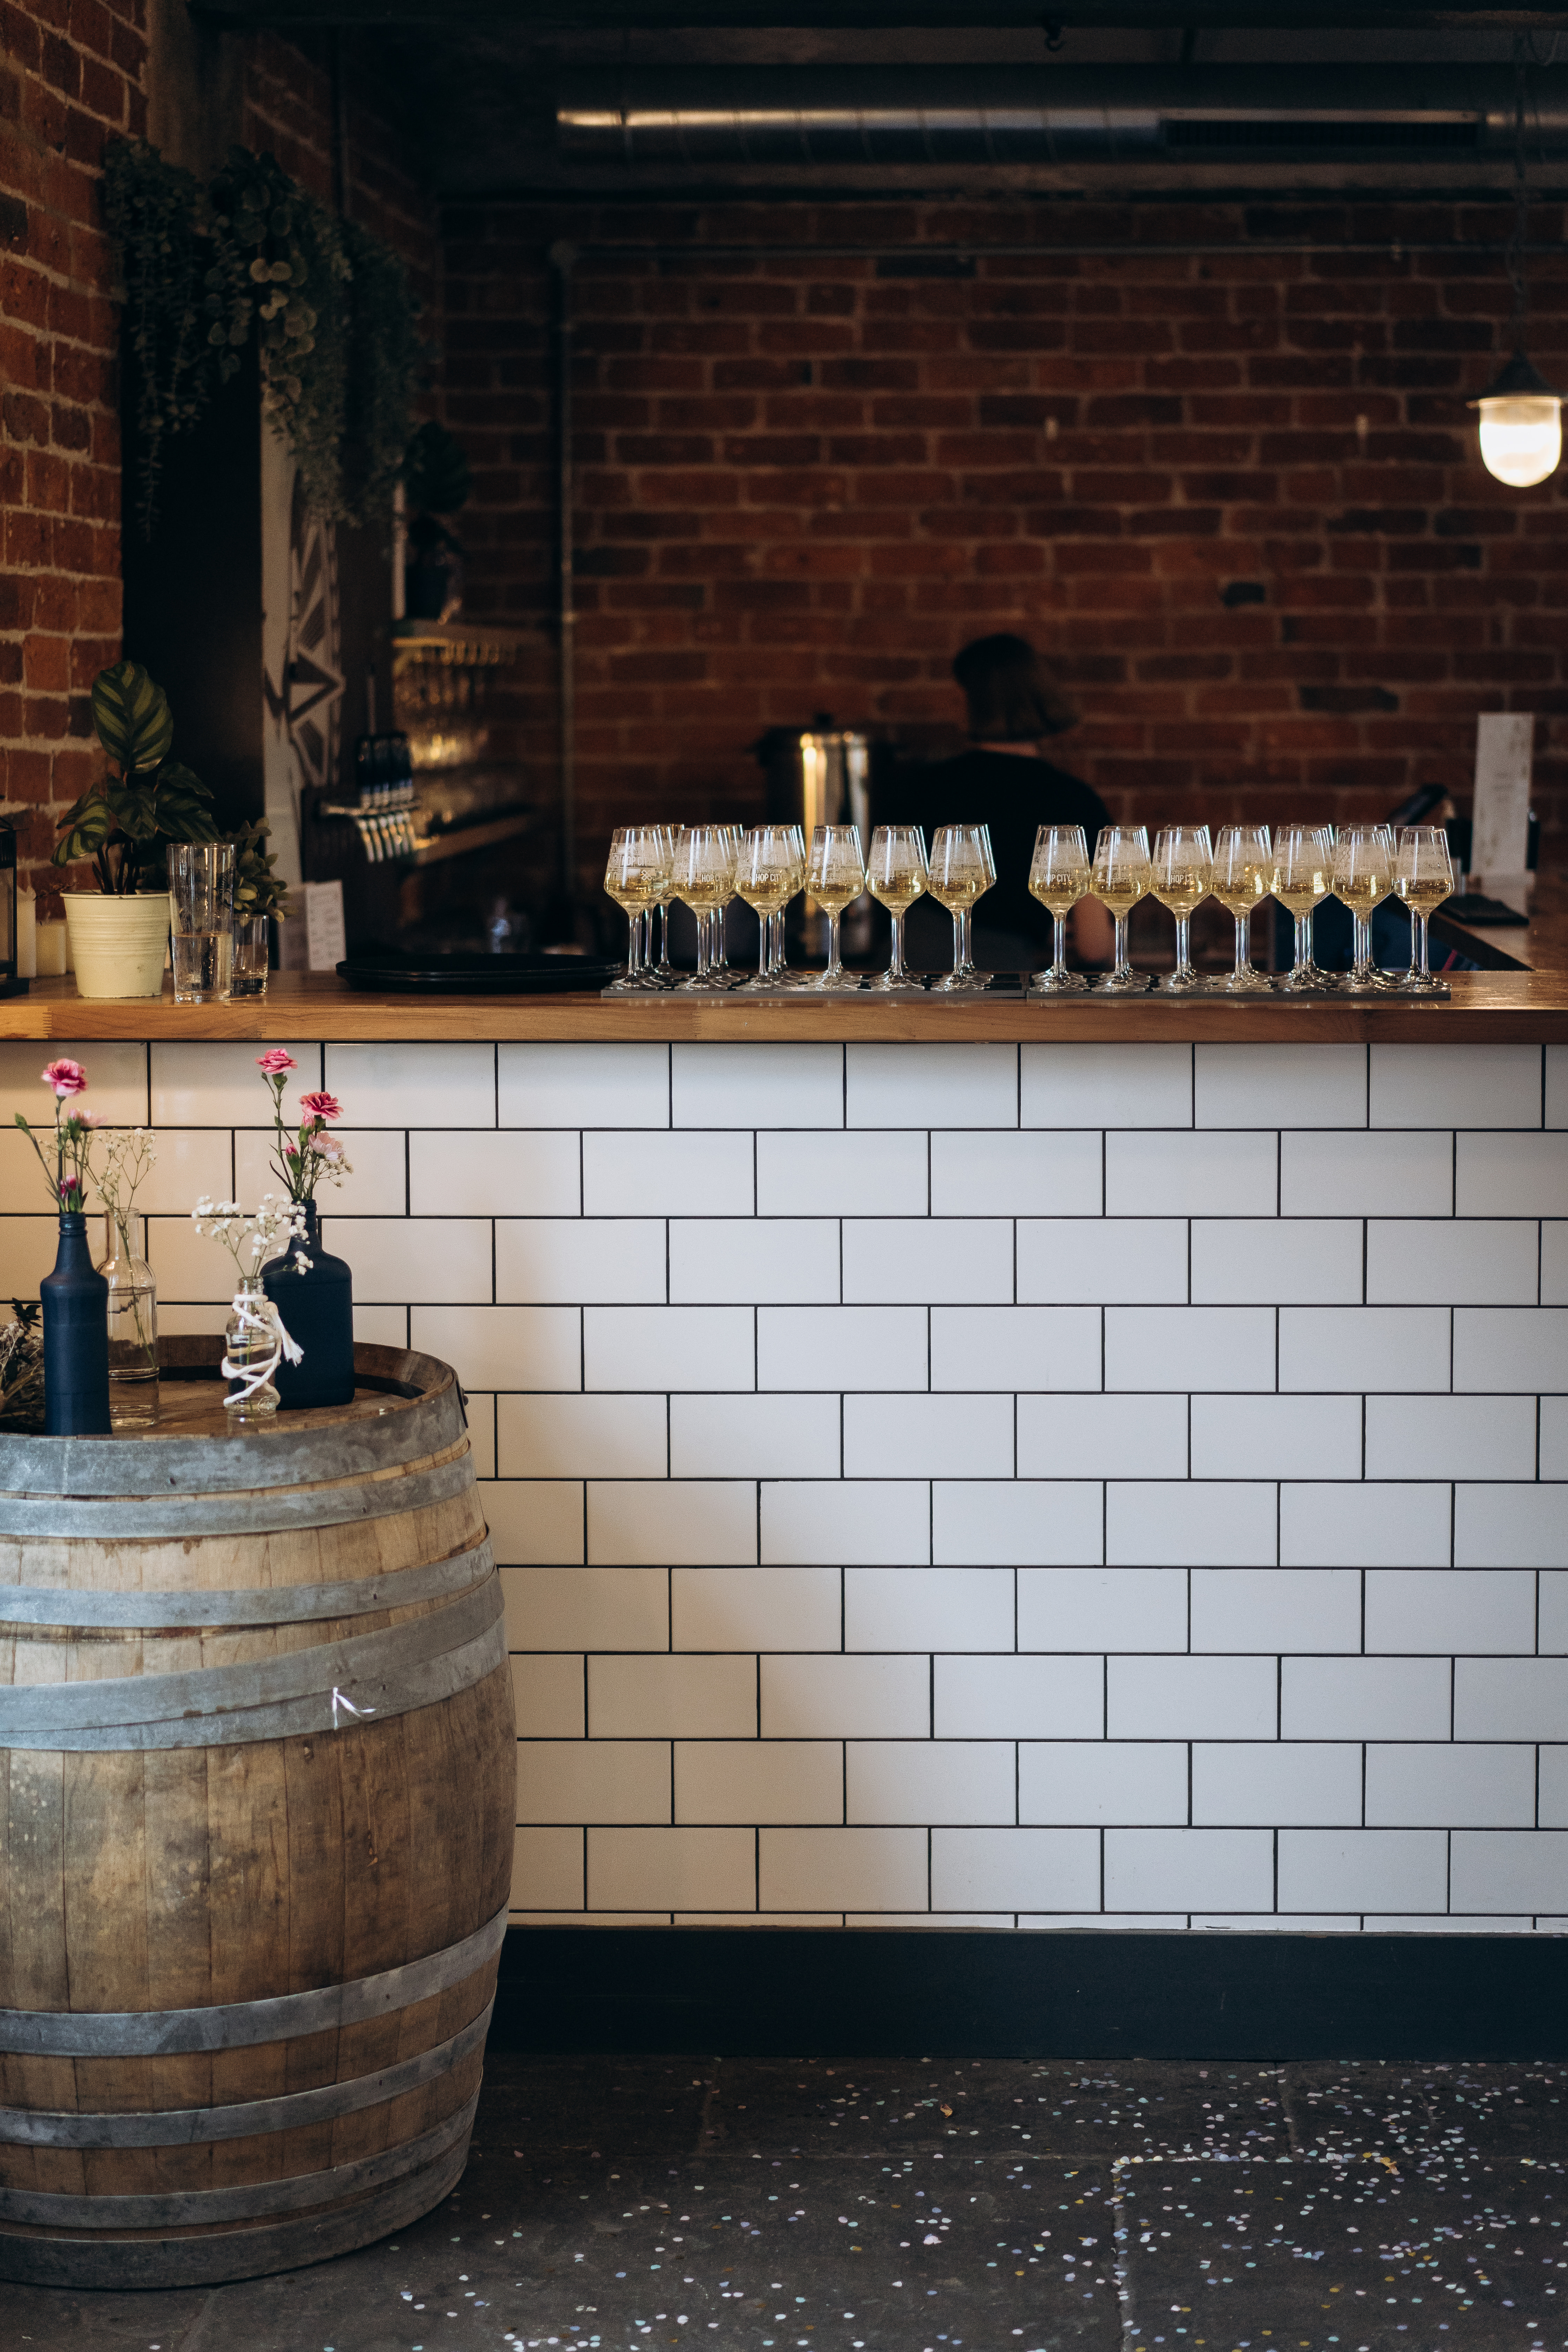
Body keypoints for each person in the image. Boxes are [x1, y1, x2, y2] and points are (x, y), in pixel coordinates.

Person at [896, 633, 1115, 972]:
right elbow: (1094, 946)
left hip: (908, 971)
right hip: (1002, 981)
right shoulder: (1072, 800)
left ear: (970, 700)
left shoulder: (921, 786)